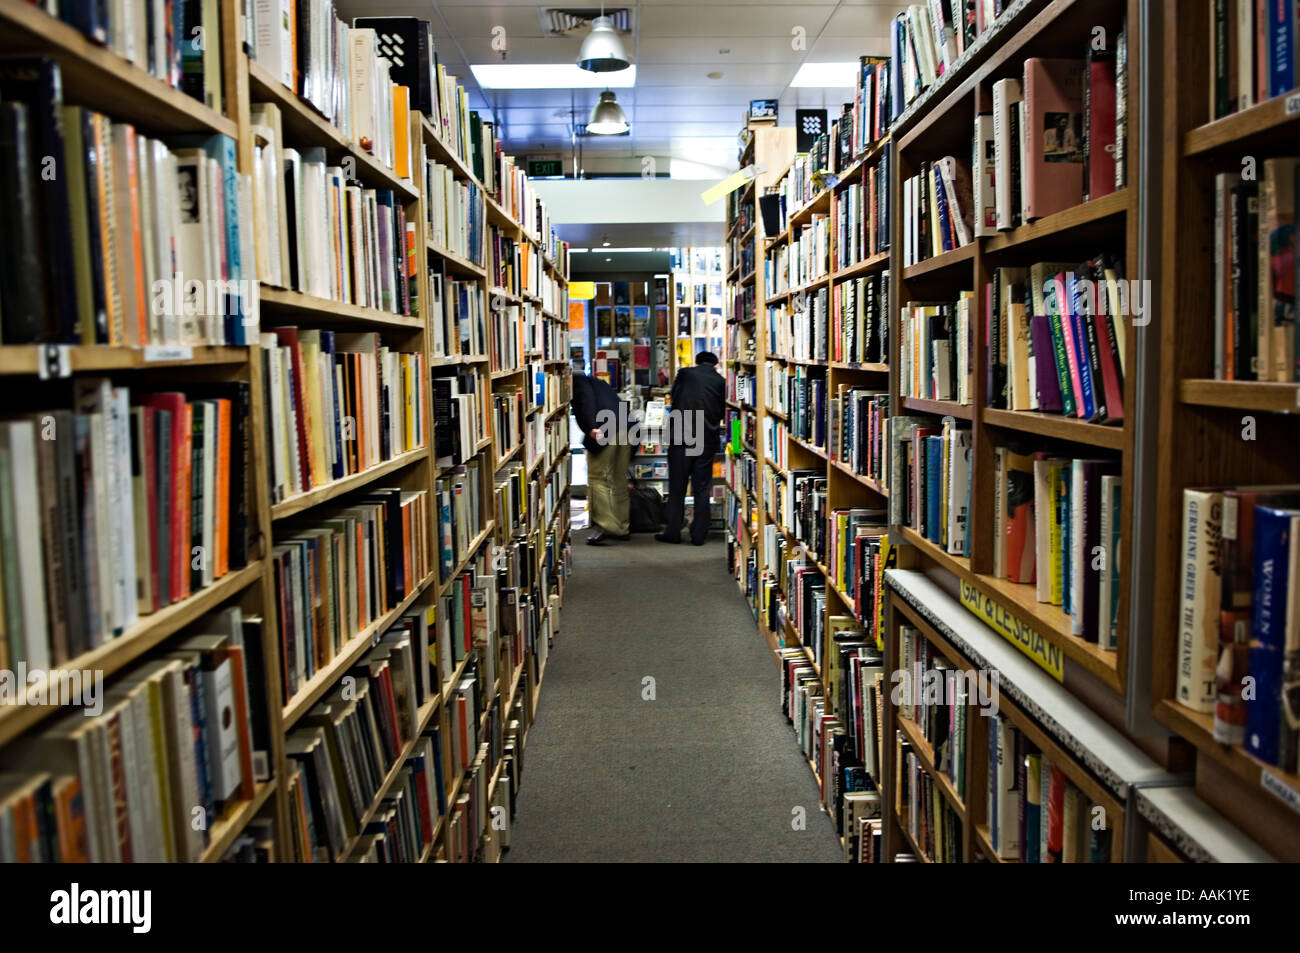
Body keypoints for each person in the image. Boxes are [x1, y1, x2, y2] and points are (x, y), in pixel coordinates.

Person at [657, 351, 724, 546]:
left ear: (697, 362)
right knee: (701, 488)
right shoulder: (720, 381)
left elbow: (674, 398)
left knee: (677, 487)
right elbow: (720, 411)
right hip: (706, 439)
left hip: (681, 437)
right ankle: (698, 535)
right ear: (714, 365)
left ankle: (673, 532)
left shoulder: (685, 374)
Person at [571, 370, 632, 545]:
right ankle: (622, 527)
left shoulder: (578, 382)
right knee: (619, 479)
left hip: (604, 430)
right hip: (626, 429)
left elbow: (585, 401)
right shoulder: (600, 383)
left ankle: (606, 525)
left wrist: (591, 427)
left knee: (597, 478)